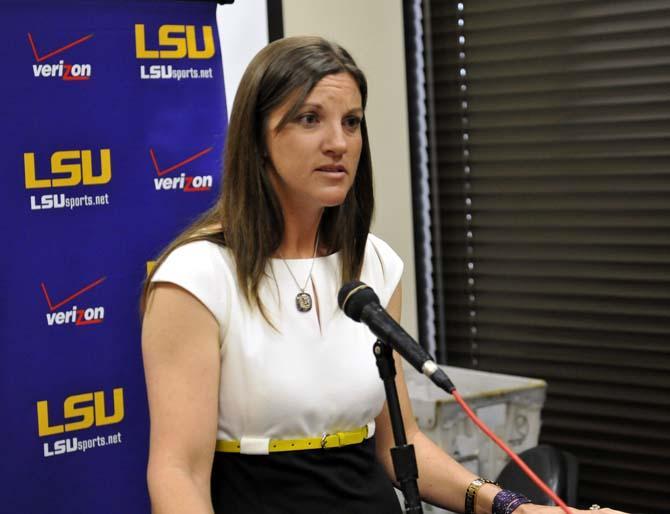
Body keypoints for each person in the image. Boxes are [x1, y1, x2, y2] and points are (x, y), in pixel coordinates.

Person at [141, 36, 625, 514]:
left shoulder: (373, 264)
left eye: (351, 123)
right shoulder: (197, 276)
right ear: (258, 138)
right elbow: (177, 471)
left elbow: (402, 444)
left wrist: (515, 509)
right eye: (310, 119)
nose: (339, 143)